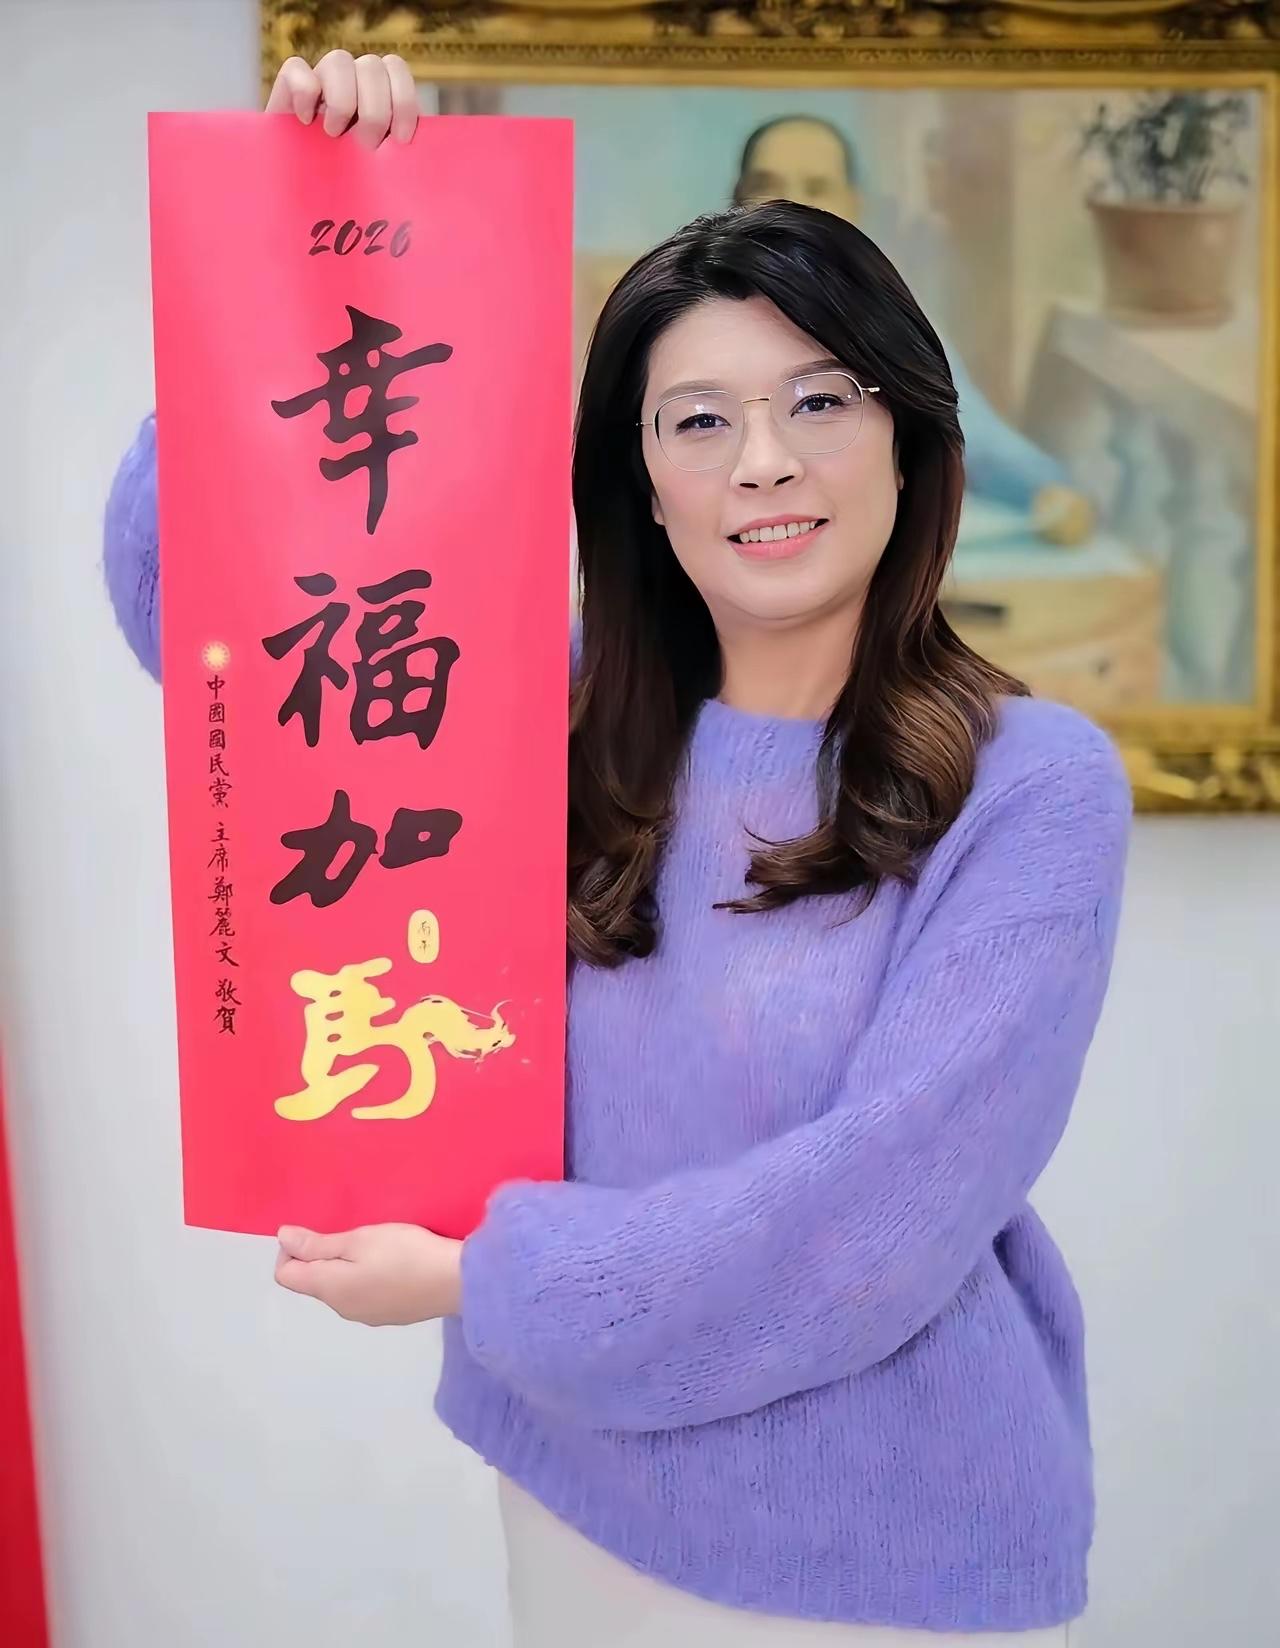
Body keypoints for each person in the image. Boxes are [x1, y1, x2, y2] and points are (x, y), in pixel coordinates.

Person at [103, 51, 1130, 1648]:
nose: (763, 462)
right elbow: (208, 619)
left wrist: (485, 1280)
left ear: (911, 440)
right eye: (699, 420)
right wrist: (302, 236)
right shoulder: (554, 710)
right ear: (642, 484)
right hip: (574, 1496)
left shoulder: (1032, 786)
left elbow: (880, 1219)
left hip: (883, 1553)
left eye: (819, 402)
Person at [731, 114, 1093, 542]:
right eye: (767, 185)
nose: (789, 206)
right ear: (737, 202)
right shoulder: (698, 323)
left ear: (851, 206)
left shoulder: (891, 326)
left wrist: (1047, 493)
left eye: (816, 188)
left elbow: (973, 435)